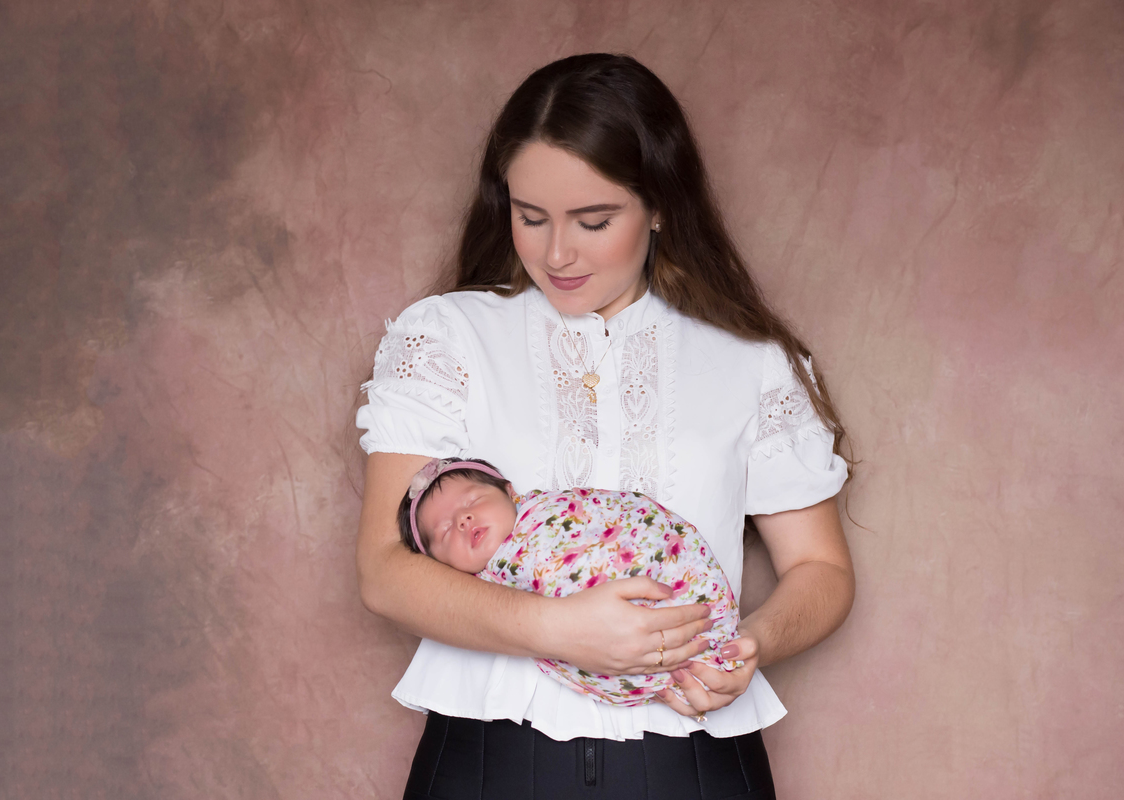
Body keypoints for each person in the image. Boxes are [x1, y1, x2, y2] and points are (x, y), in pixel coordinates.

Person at [355, 53, 855, 799]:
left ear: (659, 205)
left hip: (693, 764)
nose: (557, 253)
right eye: (530, 217)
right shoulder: (445, 338)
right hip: (488, 764)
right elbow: (384, 572)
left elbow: (822, 571)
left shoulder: (754, 362)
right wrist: (556, 630)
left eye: (593, 221)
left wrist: (746, 646)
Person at [396, 456, 743, 706]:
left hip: (674, 584)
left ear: (509, 491)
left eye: (472, 500)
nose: (462, 519)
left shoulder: (554, 514)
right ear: (438, 566)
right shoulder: (480, 592)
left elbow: (631, 521)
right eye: (442, 532)